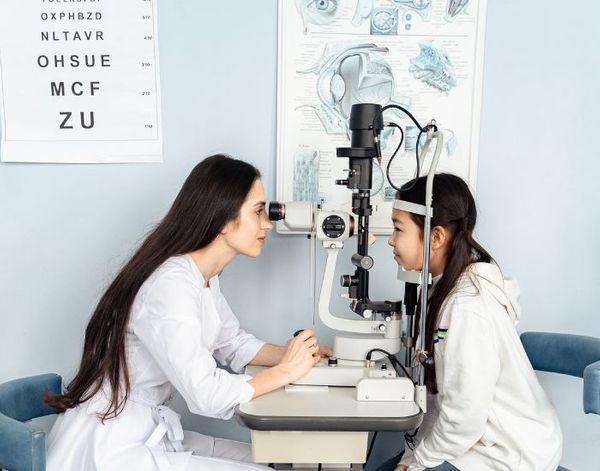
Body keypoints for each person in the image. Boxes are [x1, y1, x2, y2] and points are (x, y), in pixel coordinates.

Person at [45, 154, 331, 471]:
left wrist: (295, 355)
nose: (267, 223)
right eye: (258, 211)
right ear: (223, 219)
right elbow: (206, 393)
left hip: (144, 430)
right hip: (111, 446)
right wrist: (286, 372)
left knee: (275, 458)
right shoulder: (170, 285)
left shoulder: (201, 276)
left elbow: (232, 343)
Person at [382, 174, 562, 471]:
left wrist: (418, 462)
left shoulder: (467, 308)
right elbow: (443, 401)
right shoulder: (445, 288)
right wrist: (413, 457)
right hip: (471, 439)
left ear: (436, 237)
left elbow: (464, 415)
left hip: (507, 452)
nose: (390, 239)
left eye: (398, 228)